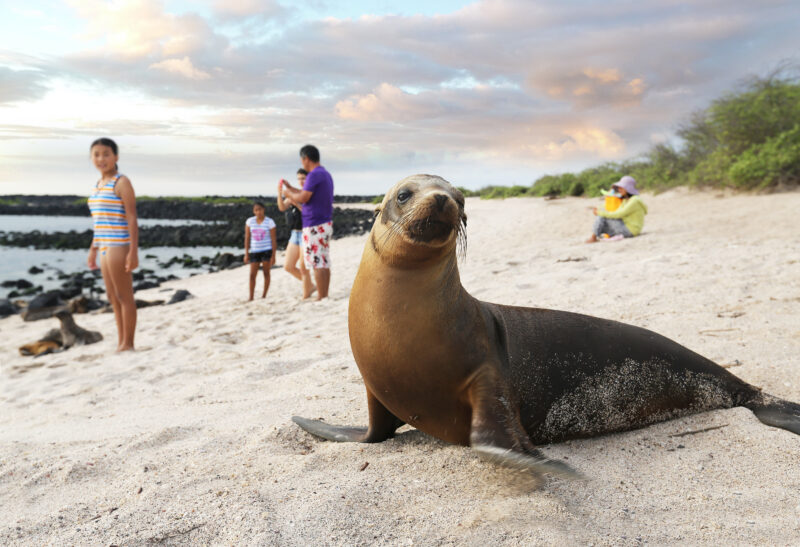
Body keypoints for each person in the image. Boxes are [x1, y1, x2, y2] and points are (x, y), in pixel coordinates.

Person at [87, 137, 138, 352]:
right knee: (112, 298)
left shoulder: (121, 182)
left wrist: (133, 252)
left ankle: (128, 343)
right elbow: (99, 222)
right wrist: (93, 249)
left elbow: (132, 218)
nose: (101, 159)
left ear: (116, 157)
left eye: (106, 154)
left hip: (119, 245)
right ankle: (121, 341)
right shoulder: (98, 185)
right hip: (104, 245)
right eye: (96, 154)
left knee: (124, 296)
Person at [280, 144, 334, 300]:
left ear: (306, 159)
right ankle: (324, 294)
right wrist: (291, 188)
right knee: (323, 260)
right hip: (323, 222)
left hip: (314, 224)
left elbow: (304, 198)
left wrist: (288, 193)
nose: (302, 163)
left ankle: (322, 296)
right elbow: (306, 194)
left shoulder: (313, 175)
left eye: (301, 160)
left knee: (317, 262)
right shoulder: (324, 174)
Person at [276, 168, 316, 299]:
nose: (301, 181)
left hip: (307, 233)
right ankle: (309, 285)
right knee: (288, 266)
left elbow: (309, 212)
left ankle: (306, 294)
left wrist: (295, 202)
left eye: (303, 178)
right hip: (295, 234)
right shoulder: (295, 193)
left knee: (304, 268)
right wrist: (279, 193)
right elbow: (282, 208)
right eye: (299, 178)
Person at [586, 175, 648, 243]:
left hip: (631, 230)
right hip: (627, 227)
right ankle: (595, 236)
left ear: (628, 188)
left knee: (602, 216)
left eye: (622, 187)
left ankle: (593, 237)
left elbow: (619, 214)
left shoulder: (634, 201)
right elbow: (614, 209)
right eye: (618, 188)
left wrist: (599, 213)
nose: (619, 189)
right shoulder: (625, 200)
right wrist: (612, 189)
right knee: (604, 218)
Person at [244, 202, 277, 301]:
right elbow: (247, 238)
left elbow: (273, 239)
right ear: (254, 211)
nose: (258, 212)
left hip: (266, 251)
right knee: (252, 275)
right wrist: (246, 253)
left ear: (264, 210)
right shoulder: (250, 221)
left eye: (260, 209)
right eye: (256, 210)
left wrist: (273, 256)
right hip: (254, 251)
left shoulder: (270, 222)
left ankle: (264, 296)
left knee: (266, 273)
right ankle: (251, 297)